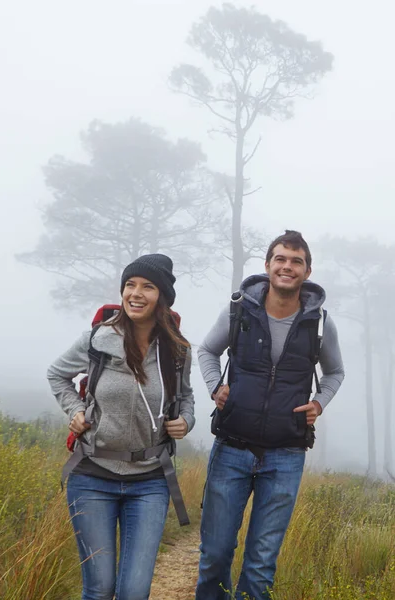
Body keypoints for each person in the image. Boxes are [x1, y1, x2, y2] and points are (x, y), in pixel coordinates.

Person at [195, 230, 345, 600]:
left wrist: (319, 402)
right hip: (231, 447)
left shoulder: (321, 324)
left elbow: (336, 373)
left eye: (296, 261)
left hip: (286, 454)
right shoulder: (239, 310)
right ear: (267, 266)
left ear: (307, 271)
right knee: (215, 555)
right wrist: (216, 387)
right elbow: (207, 351)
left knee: (261, 563)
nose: (287, 266)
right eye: (280, 258)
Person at [48, 253, 195, 600]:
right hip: (92, 475)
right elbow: (57, 375)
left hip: (150, 481)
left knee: (134, 592)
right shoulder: (97, 340)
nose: (136, 293)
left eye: (147, 286)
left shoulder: (177, 350)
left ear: (162, 298)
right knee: (98, 590)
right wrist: (75, 410)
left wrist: (186, 421)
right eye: (130, 285)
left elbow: (186, 397)